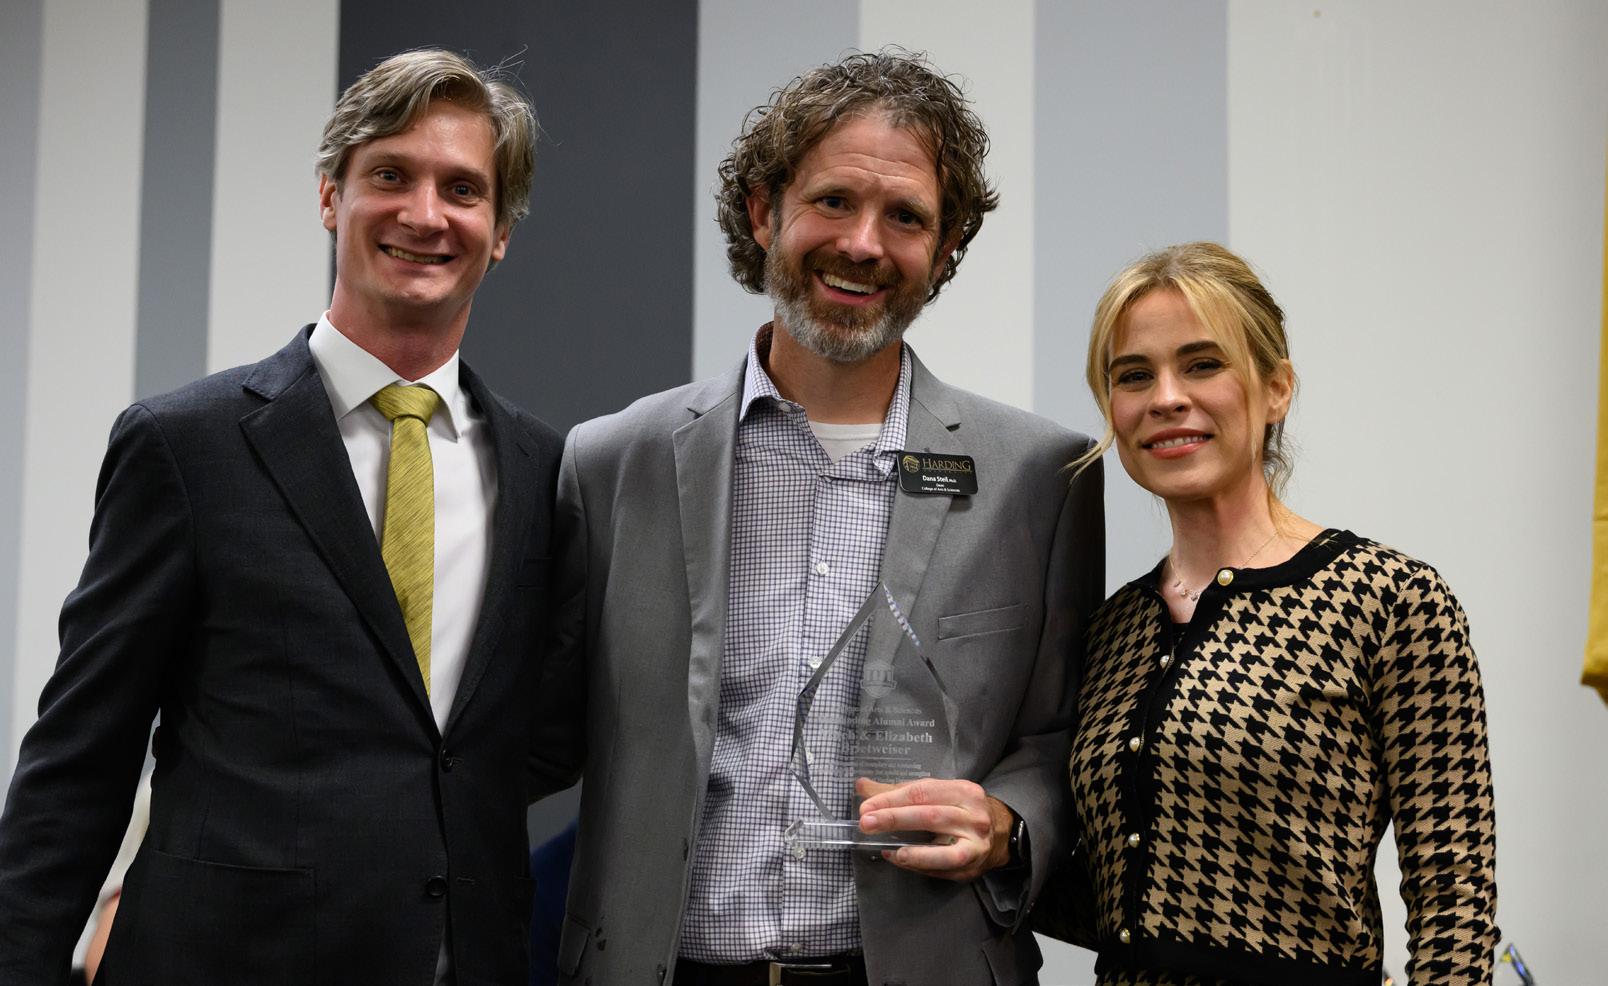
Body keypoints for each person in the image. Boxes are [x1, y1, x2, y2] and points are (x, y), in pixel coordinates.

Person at [0, 49, 576, 984]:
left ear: (501, 230)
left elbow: (532, 738)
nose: (425, 214)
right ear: (330, 197)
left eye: (463, 189)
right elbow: (81, 756)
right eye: (389, 175)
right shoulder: (184, 445)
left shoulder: (546, 469)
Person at [548, 50, 1104, 986]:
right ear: (764, 212)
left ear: (946, 246)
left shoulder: (1040, 478)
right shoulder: (612, 464)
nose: (863, 244)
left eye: (907, 217)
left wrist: (1012, 823)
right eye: (834, 201)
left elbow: (1059, 740)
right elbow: (531, 737)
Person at [1039, 242, 1498, 983]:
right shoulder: (1110, 630)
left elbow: (1457, 909)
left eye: (1202, 364)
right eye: (1134, 375)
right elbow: (1128, 904)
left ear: (1276, 389)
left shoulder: (1389, 600)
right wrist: (991, 844)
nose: (1166, 397)